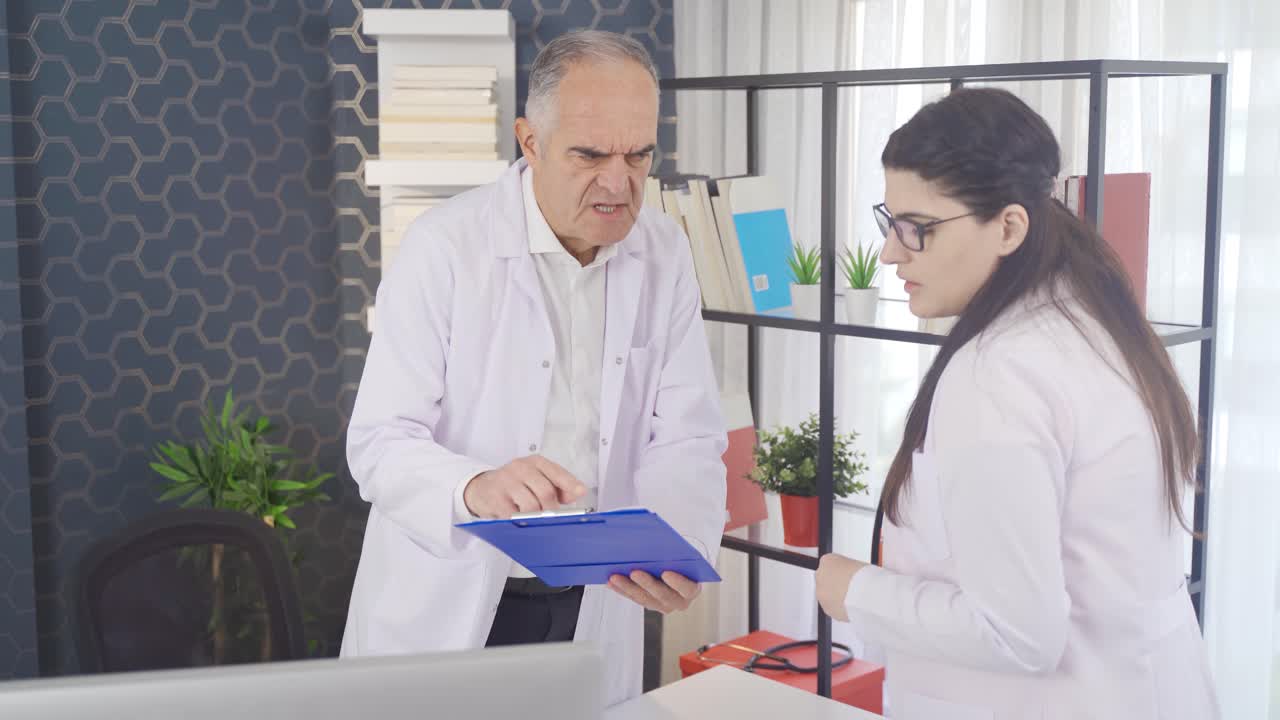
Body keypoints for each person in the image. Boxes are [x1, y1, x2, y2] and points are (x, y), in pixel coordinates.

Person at [339, 30, 728, 706]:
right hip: (449, 599)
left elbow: (688, 433)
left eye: (639, 155)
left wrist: (680, 541)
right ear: (530, 140)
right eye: (590, 154)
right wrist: (475, 486)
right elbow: (377, 442)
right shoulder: (445, 247)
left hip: (592, 602)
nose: (619, 181)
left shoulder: (664, 250)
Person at [814, 88, 1221, 719]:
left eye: (916, 228)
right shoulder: (1091, 319)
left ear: (1008, 226)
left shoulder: (998, 374)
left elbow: (1018, 633)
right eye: (889, 220)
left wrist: (853, 590)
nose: (891, 251)